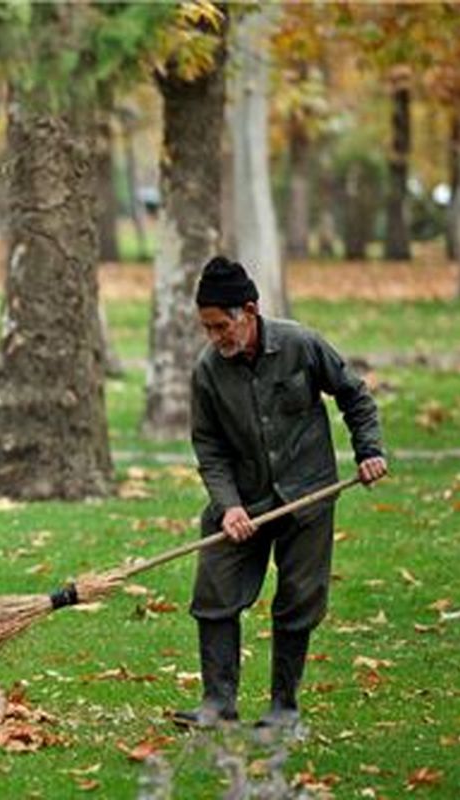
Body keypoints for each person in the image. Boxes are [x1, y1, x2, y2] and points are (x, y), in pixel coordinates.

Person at [173, 256, 387, 735]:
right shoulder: (207, 372)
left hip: (307, 498)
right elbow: (208, 447)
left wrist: (368, 451)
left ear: (249, 310)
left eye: (221, 326)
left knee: (297, 599)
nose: (215, 338)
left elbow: (355, 396)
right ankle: (217, 703)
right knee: (215, 595)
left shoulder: (301, 344)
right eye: (206, 328)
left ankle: (283, 707)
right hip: (242, 503)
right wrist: (228, 506)